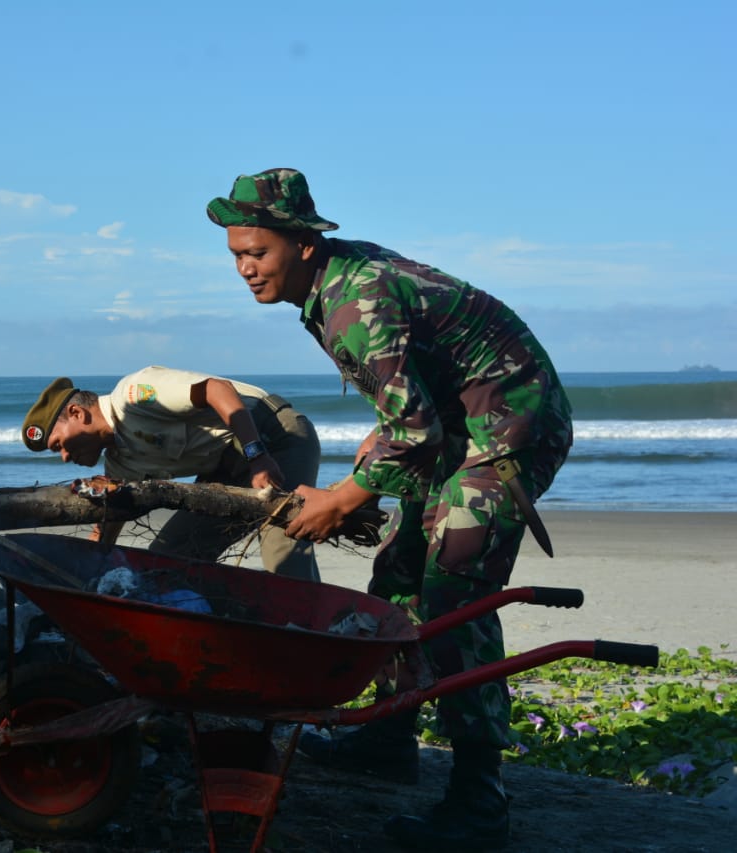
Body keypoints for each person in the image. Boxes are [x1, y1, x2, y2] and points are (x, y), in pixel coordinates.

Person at [206, 169, 573, 849]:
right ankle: (389, 735)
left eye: (257, 252)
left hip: (511, 423)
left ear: (304, 244)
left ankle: (480, 797)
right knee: (399, 572)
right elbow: (407, 402)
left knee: (452, 593)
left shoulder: (353, 301)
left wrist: (345, 496)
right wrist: (360, 477)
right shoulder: (330, 285)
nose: (245, 269)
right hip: (460, 422)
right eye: (236, 255)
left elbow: (415, 430)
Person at [21, 365, 322, 580]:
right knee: (168, 558)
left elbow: (216, 389)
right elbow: (107, 527)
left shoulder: (134, 394)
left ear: (77, 413)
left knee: (284, 554)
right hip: (226, 469)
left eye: (58, 444)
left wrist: (257, 455)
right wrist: (80, 572)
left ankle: (315, 644)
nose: (63, 457)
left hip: (275, 438)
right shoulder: (120, 463)